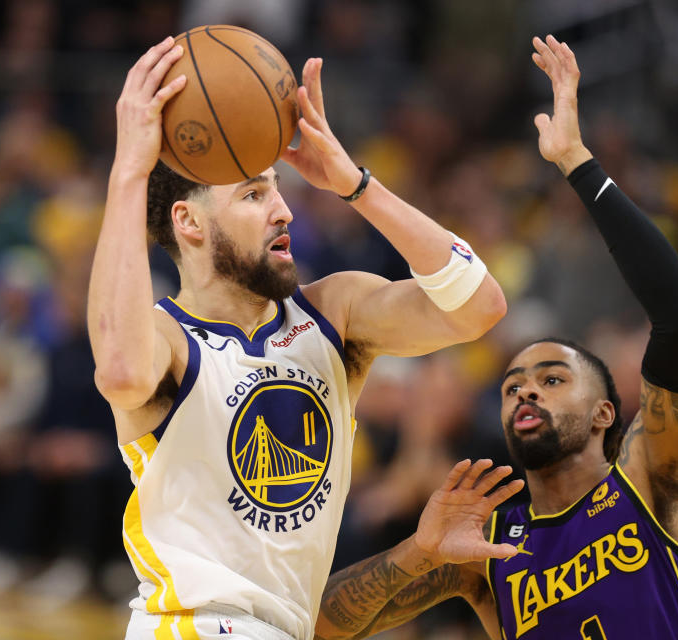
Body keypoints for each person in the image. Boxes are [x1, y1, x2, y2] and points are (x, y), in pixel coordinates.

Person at [88, 36, 513, 640]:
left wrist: (354, 183)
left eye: (278, 188)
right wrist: (129, 170)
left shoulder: (333, 313)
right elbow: (123, 372)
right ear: (189, 222)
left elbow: (479, 307)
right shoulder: (167, 338)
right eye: (254, 195)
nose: (284, 209)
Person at [314, 35, 678, 640]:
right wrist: (420, 553)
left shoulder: (654, 478)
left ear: (604, 414)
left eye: (552, 379)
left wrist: (576, 163)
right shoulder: (489, 545)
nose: (525, 393)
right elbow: (316, 627)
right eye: (513, 386)